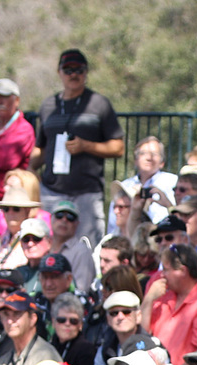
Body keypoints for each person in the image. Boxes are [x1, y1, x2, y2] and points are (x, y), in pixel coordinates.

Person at [33, 49, 124, 243]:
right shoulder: (48, 105)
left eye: (79, 70)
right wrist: (29, 170)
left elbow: (118, 147)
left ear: (86, 73)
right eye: (68, 70)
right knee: (48, 245)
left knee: (88, 247)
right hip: (51, 192)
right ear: (59, 72)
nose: (73, 74)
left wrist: (86, 146)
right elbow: (41, 147)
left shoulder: (99, 104)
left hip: (87, 194)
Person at [145, 243, 197, 362]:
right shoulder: (164, 297)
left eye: (165, 269)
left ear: (182, 271)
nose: (161, 275)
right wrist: (148, 299)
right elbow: (143, 336)